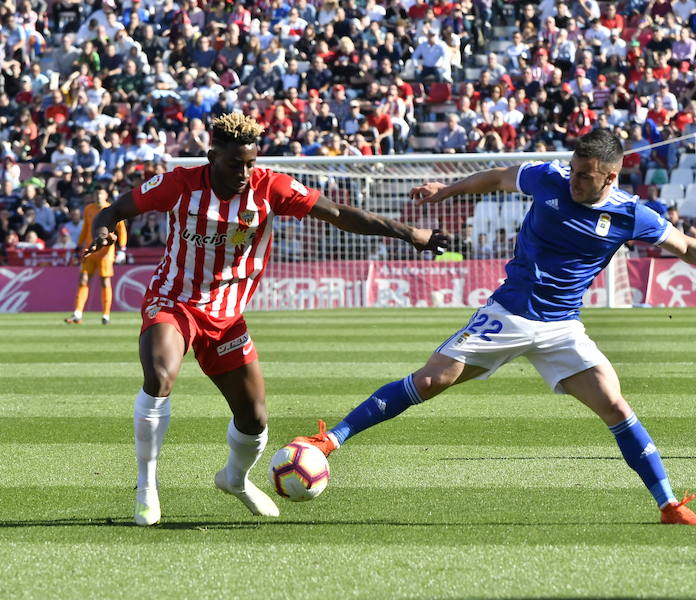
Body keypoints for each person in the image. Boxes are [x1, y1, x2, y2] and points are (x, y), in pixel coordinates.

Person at [291, 129, 696, 527]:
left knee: (616, 405)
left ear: (610, 177)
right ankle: (330, 440)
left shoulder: (631, 215)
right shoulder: (549, 179)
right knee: (431, 380)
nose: (574, 181)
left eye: (585, 176)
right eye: (573, 171)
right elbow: (497, 177)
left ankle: (667, 504)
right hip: (507, 314)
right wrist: (445, 191)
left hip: (562, 330)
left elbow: (689, 248)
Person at [80, 114, 448, 526]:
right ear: (212, 156)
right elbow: (113, 211)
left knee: (254, 419)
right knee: (161, 377)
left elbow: (339, 214)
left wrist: (409, 233)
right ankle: (147, 489)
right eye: (236, 164)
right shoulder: (179, 184)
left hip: (227, 316)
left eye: (251, 163)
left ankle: (234, 479)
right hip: (174, 301)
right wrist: (104, 230)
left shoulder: (270, 187)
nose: (245, 173)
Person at [64, 188, 128, 325]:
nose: (98, 196)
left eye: (101, 193)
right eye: (96, 193)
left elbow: (121, 230)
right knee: (83, 279)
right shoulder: (88, 209)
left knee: (105, 281)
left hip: (106, 252)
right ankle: (77, 313)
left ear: (106, 195)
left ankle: (106, 315)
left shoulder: (112, 209)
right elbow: (86, 228)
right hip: (90, 249)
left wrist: (122, 248)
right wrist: (79, 245)